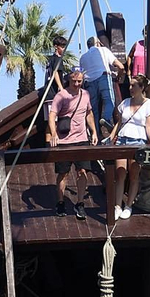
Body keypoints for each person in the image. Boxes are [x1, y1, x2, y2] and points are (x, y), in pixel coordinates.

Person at [47, 68, 97, 219]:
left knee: (83, 171)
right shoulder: (61, 95)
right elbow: (52, 115)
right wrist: (53, 134)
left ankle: (80, 203)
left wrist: (94, 131)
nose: (76, 84)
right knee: (63, 173)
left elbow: (89, 113)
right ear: (69, 80)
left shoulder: (86, 94)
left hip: (81, 139)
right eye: (74, 81)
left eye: (79, 81)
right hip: (64, 140)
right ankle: (61, 202)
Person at [107, 74, 150, 221]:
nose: (130, 88)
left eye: (133, 85)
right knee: (120, 173)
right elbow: (120, 123)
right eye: (130, 85)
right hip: (122, 139)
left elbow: (149, 125)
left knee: (134, 174)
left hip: (138, 140)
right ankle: (117, 206)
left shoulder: (149, 104)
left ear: (142, 88)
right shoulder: (125, 103)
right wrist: (111, 136)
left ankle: (128, 205)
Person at [79, 35, 124, 133]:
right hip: (103, 77)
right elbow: (120, 66)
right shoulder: (103, 50)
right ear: (97, 43)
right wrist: (118, 76)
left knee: (93, 108)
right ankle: (106, 118)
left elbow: (81, 73)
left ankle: (96, 133)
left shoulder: (83, 57)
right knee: (109, 101)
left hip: (89, 82)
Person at [42, 34, 70, 100]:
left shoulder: (51, 59)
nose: (64, 49)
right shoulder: (57, 59)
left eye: (64, 47)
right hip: (53, 92)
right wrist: (61, 88)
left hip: (47, 91)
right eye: (62, 47)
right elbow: (55, 73)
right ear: (56, 47)